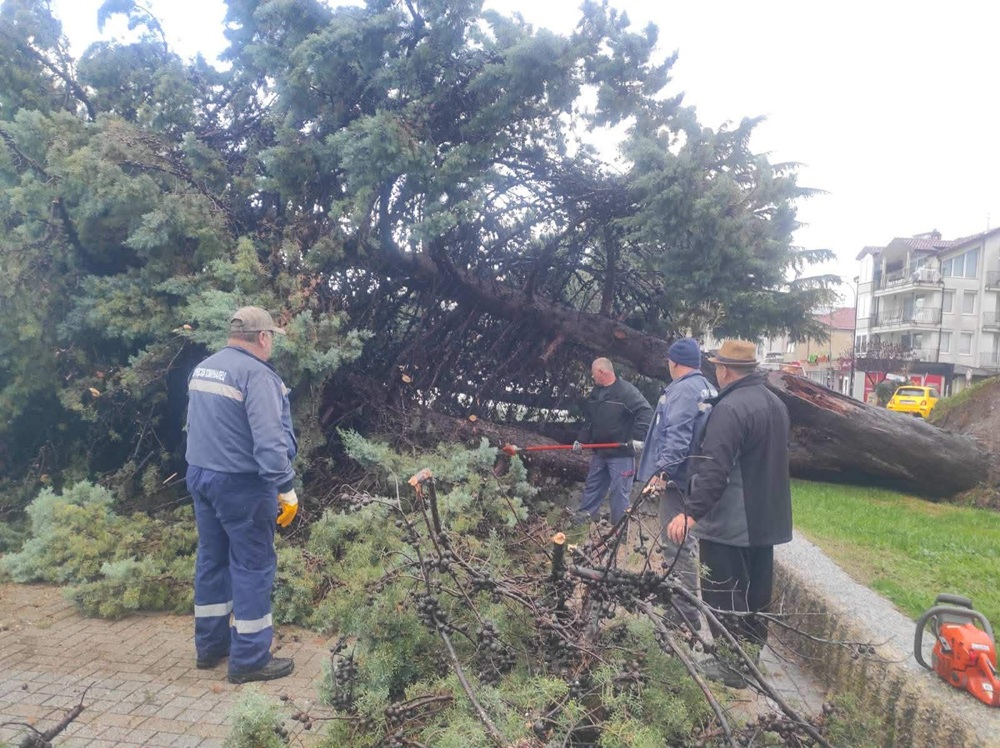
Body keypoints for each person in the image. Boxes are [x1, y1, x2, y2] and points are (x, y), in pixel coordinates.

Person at [666, 340, 791, 687]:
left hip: (733, 522)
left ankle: (731, 667)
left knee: (723, 593)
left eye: (717, 368)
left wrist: (690, 512)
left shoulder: (730, 408)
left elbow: (714, 469)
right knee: (755, 596)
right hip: (767, 520)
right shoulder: (776, 405)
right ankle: (750, 660)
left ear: (723, 370)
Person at [185, 306, 300, 684]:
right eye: (271, 339)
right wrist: (286, 488)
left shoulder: (205, 368)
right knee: (253, 566)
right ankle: (249, 658)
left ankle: (210, 647)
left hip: (202, 476)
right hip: (242, 486)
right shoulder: (257, 375)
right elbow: (270, 443)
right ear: (263, 337)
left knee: (212, 560)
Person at [636, 338, 717, 630]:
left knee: (677, 543)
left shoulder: (682, 391)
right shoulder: (706, 387)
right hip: (696, 476)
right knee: (684, 543)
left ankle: (684, 614)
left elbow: (677, 437)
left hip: (680, 480)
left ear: (674, 362)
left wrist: (662, 473)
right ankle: (679, 601)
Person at [572, 358, 652, 525]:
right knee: (593, 485)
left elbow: (645, 412)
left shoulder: (626, 392)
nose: (593, 378)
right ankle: (582, 521)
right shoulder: (596, 393)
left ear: (602, 372)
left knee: (619, 491)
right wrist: (581, 440)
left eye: (594, 374)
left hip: (621, 454)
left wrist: (638, 438)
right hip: (600, 452)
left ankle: (619, 528)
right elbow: (589, 419)